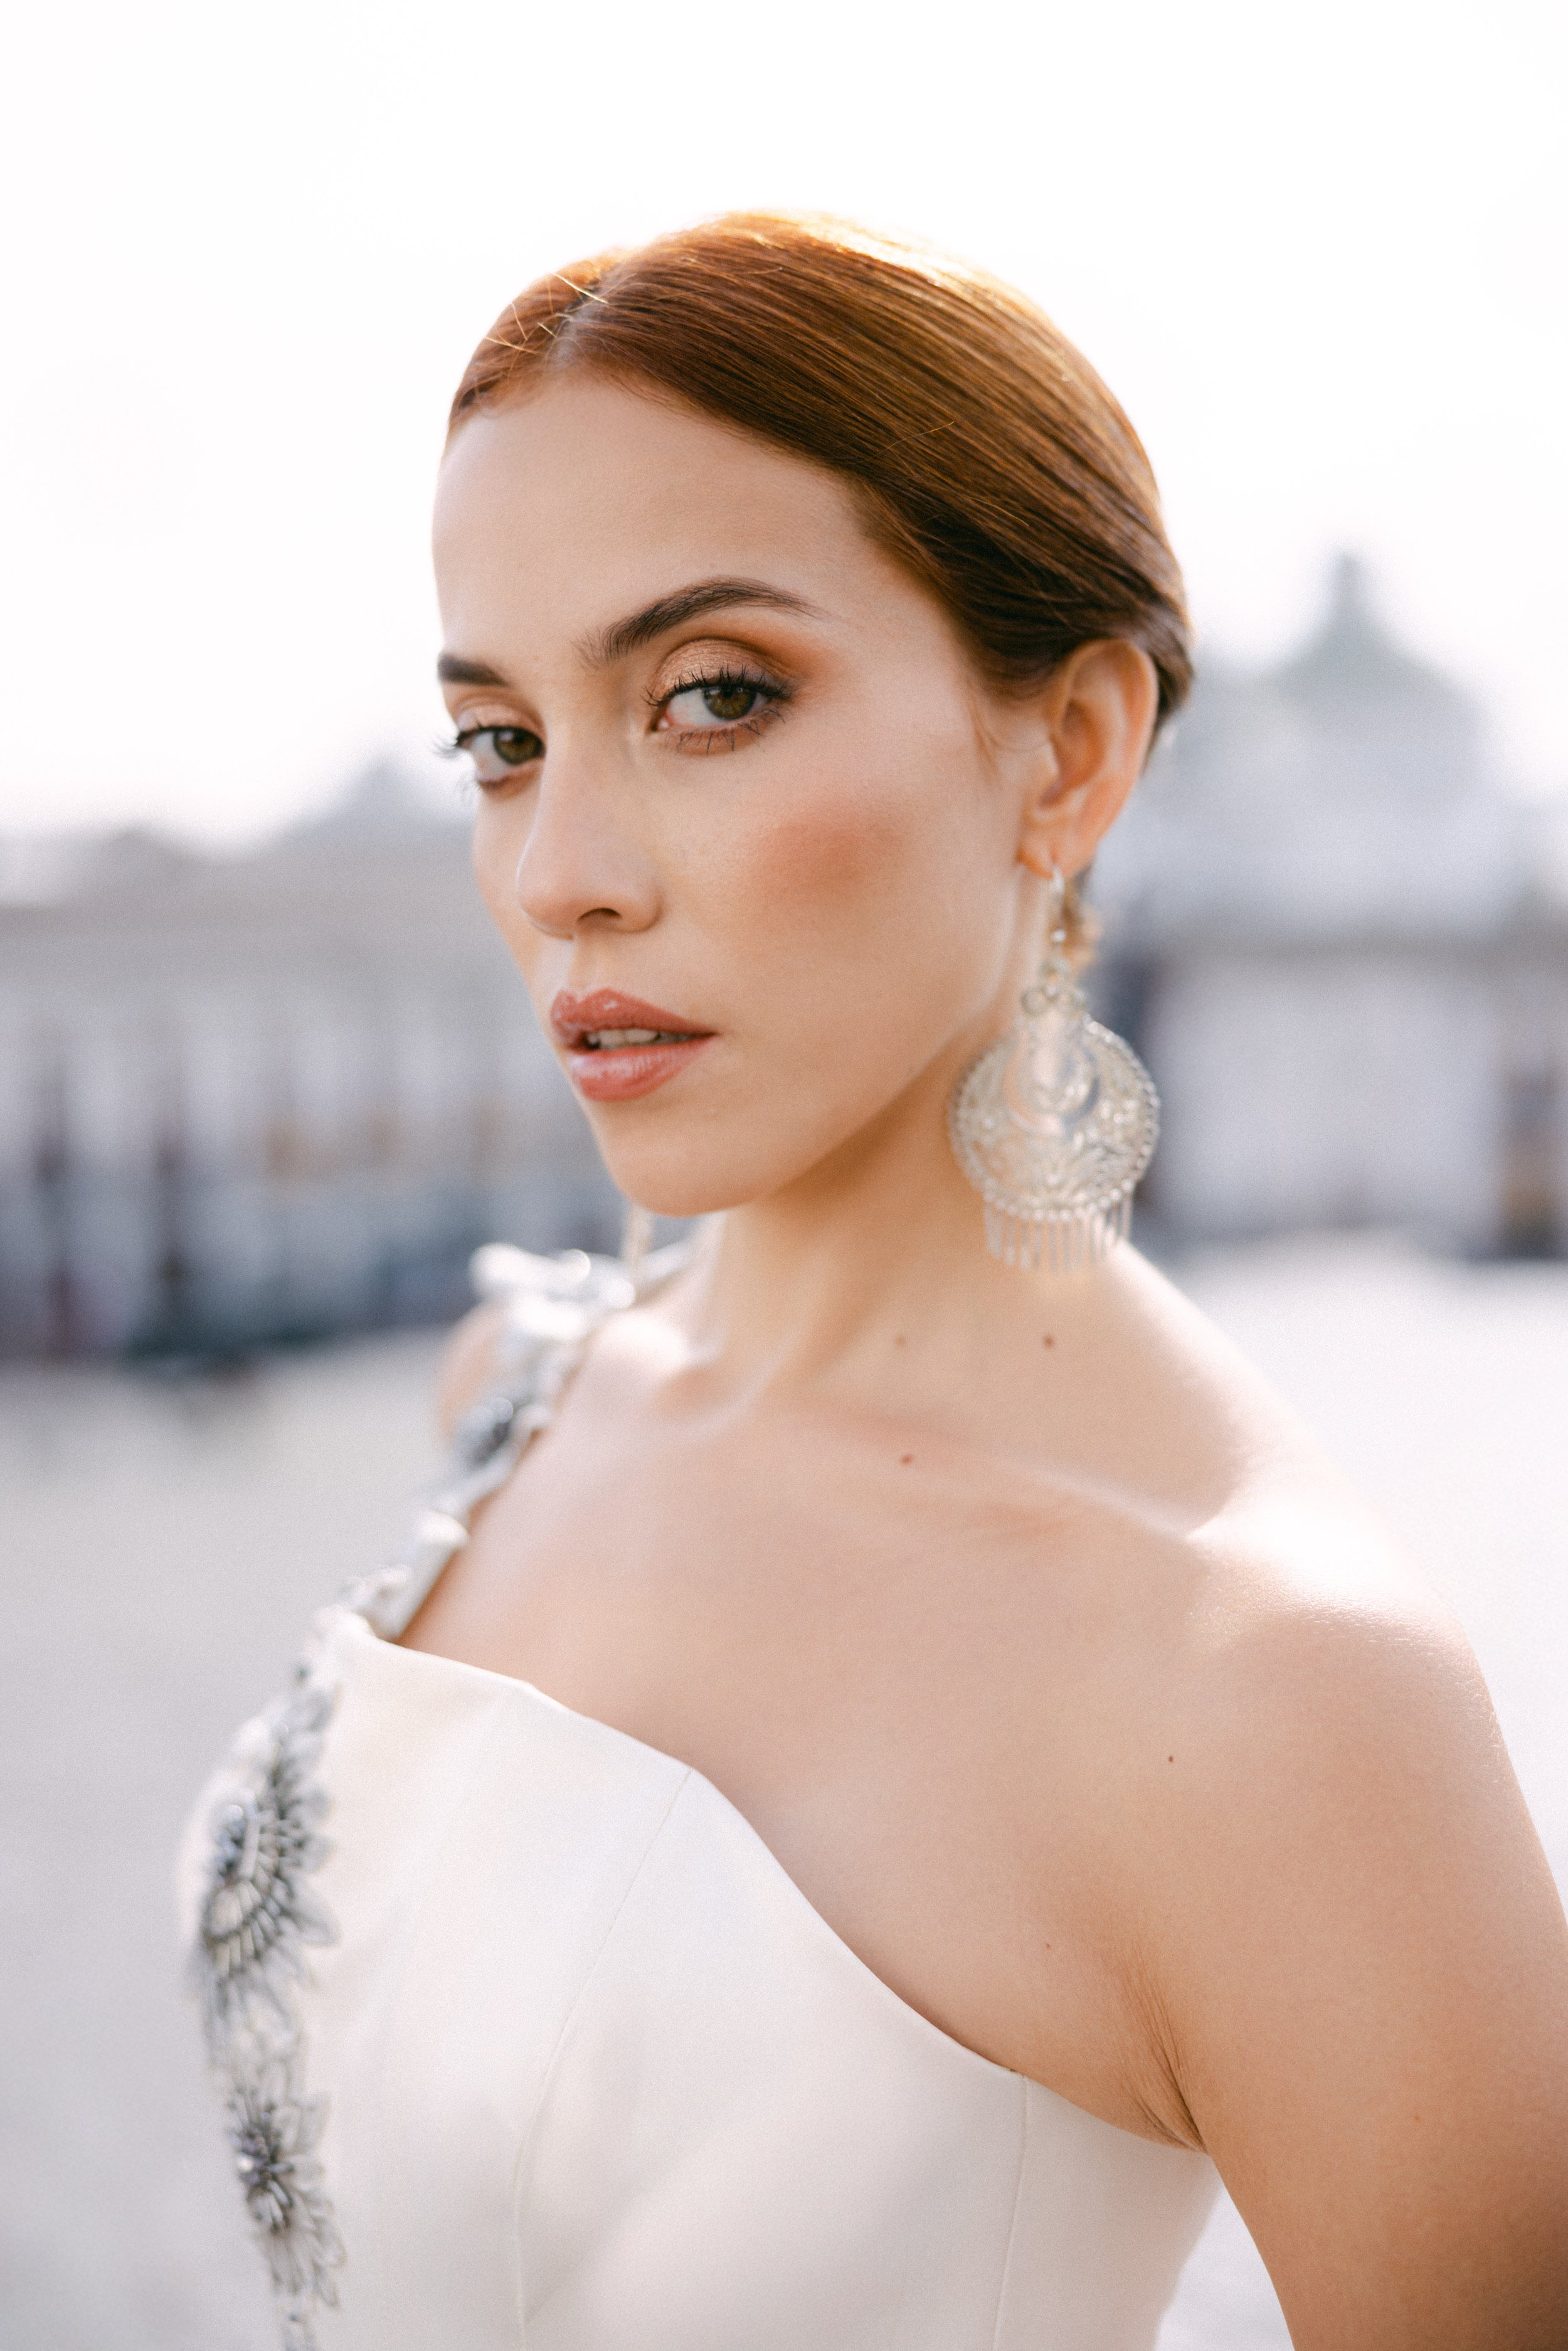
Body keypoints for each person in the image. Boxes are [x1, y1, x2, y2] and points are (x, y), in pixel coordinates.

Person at [179, 215, 1568, 2351]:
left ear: (1073, 750)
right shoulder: (523, 1380)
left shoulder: (1270, 1693)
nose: (561, 872)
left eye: (710, 698)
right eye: (502, 738)